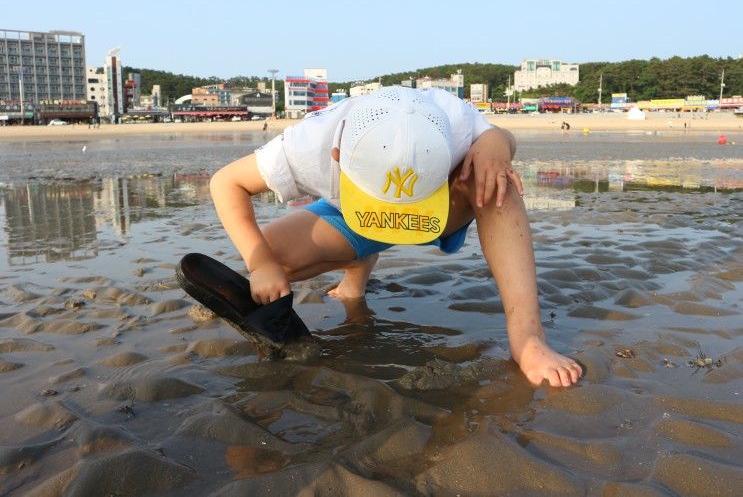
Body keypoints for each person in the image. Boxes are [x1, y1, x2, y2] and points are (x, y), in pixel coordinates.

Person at [208, 86, 583, 388]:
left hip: (440, 210)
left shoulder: (452, 119)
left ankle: (528, 339)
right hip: (351, 216)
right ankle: (355, 274)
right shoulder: (310, 144)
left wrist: (496, 147)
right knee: (272, 256)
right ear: (338, 156)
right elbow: (227, 182)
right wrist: (260, 263)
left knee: (497, 180)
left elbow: (499, 135)